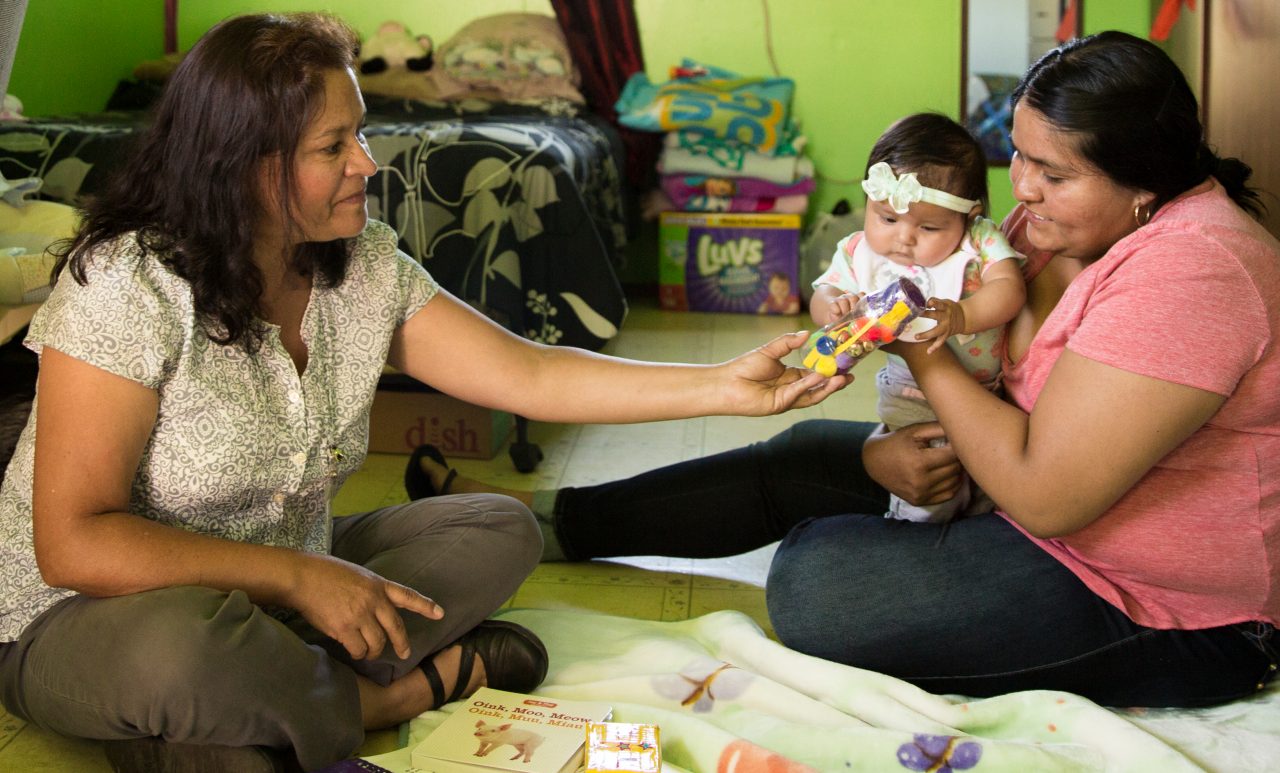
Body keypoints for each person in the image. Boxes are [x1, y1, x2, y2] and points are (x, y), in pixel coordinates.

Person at [0, 13, 847, 772]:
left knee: (496, 525)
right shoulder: (126, 282)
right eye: (334, 147)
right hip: (91, 617)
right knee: (179, 655)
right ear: (243, 166)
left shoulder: (360, 264)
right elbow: (74, 545)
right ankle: (380, 698)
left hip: (284, 586)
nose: (368, 164)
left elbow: (531, 374)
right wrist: (299, 579)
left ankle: (260, 704)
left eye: (359, 135)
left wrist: (726, 386)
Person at [408, 31, 1280, 709]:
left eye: (1053, 173)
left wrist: (918, 350)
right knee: (808, 455)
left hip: (1155, 598)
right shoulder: (1038, 234)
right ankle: (551, 523)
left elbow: (1050, 492)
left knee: (819, 583)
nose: (1023, 191)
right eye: (1016, 156)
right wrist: (890, 419)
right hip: (1007, 492)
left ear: (1144, 182)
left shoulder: (1193, 271)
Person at [809, 113, 1024, 522]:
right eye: (887, 219)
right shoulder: (859, 251)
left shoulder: (979, 240)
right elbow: (824, 291)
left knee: (986, 491)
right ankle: (915, 536)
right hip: (910, 396)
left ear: (968, 215)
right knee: (932, 491)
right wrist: (835, 308)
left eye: (927, 226)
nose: (903, 238)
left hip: (989, 396)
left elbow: (1009, 289)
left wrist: (962, 314)